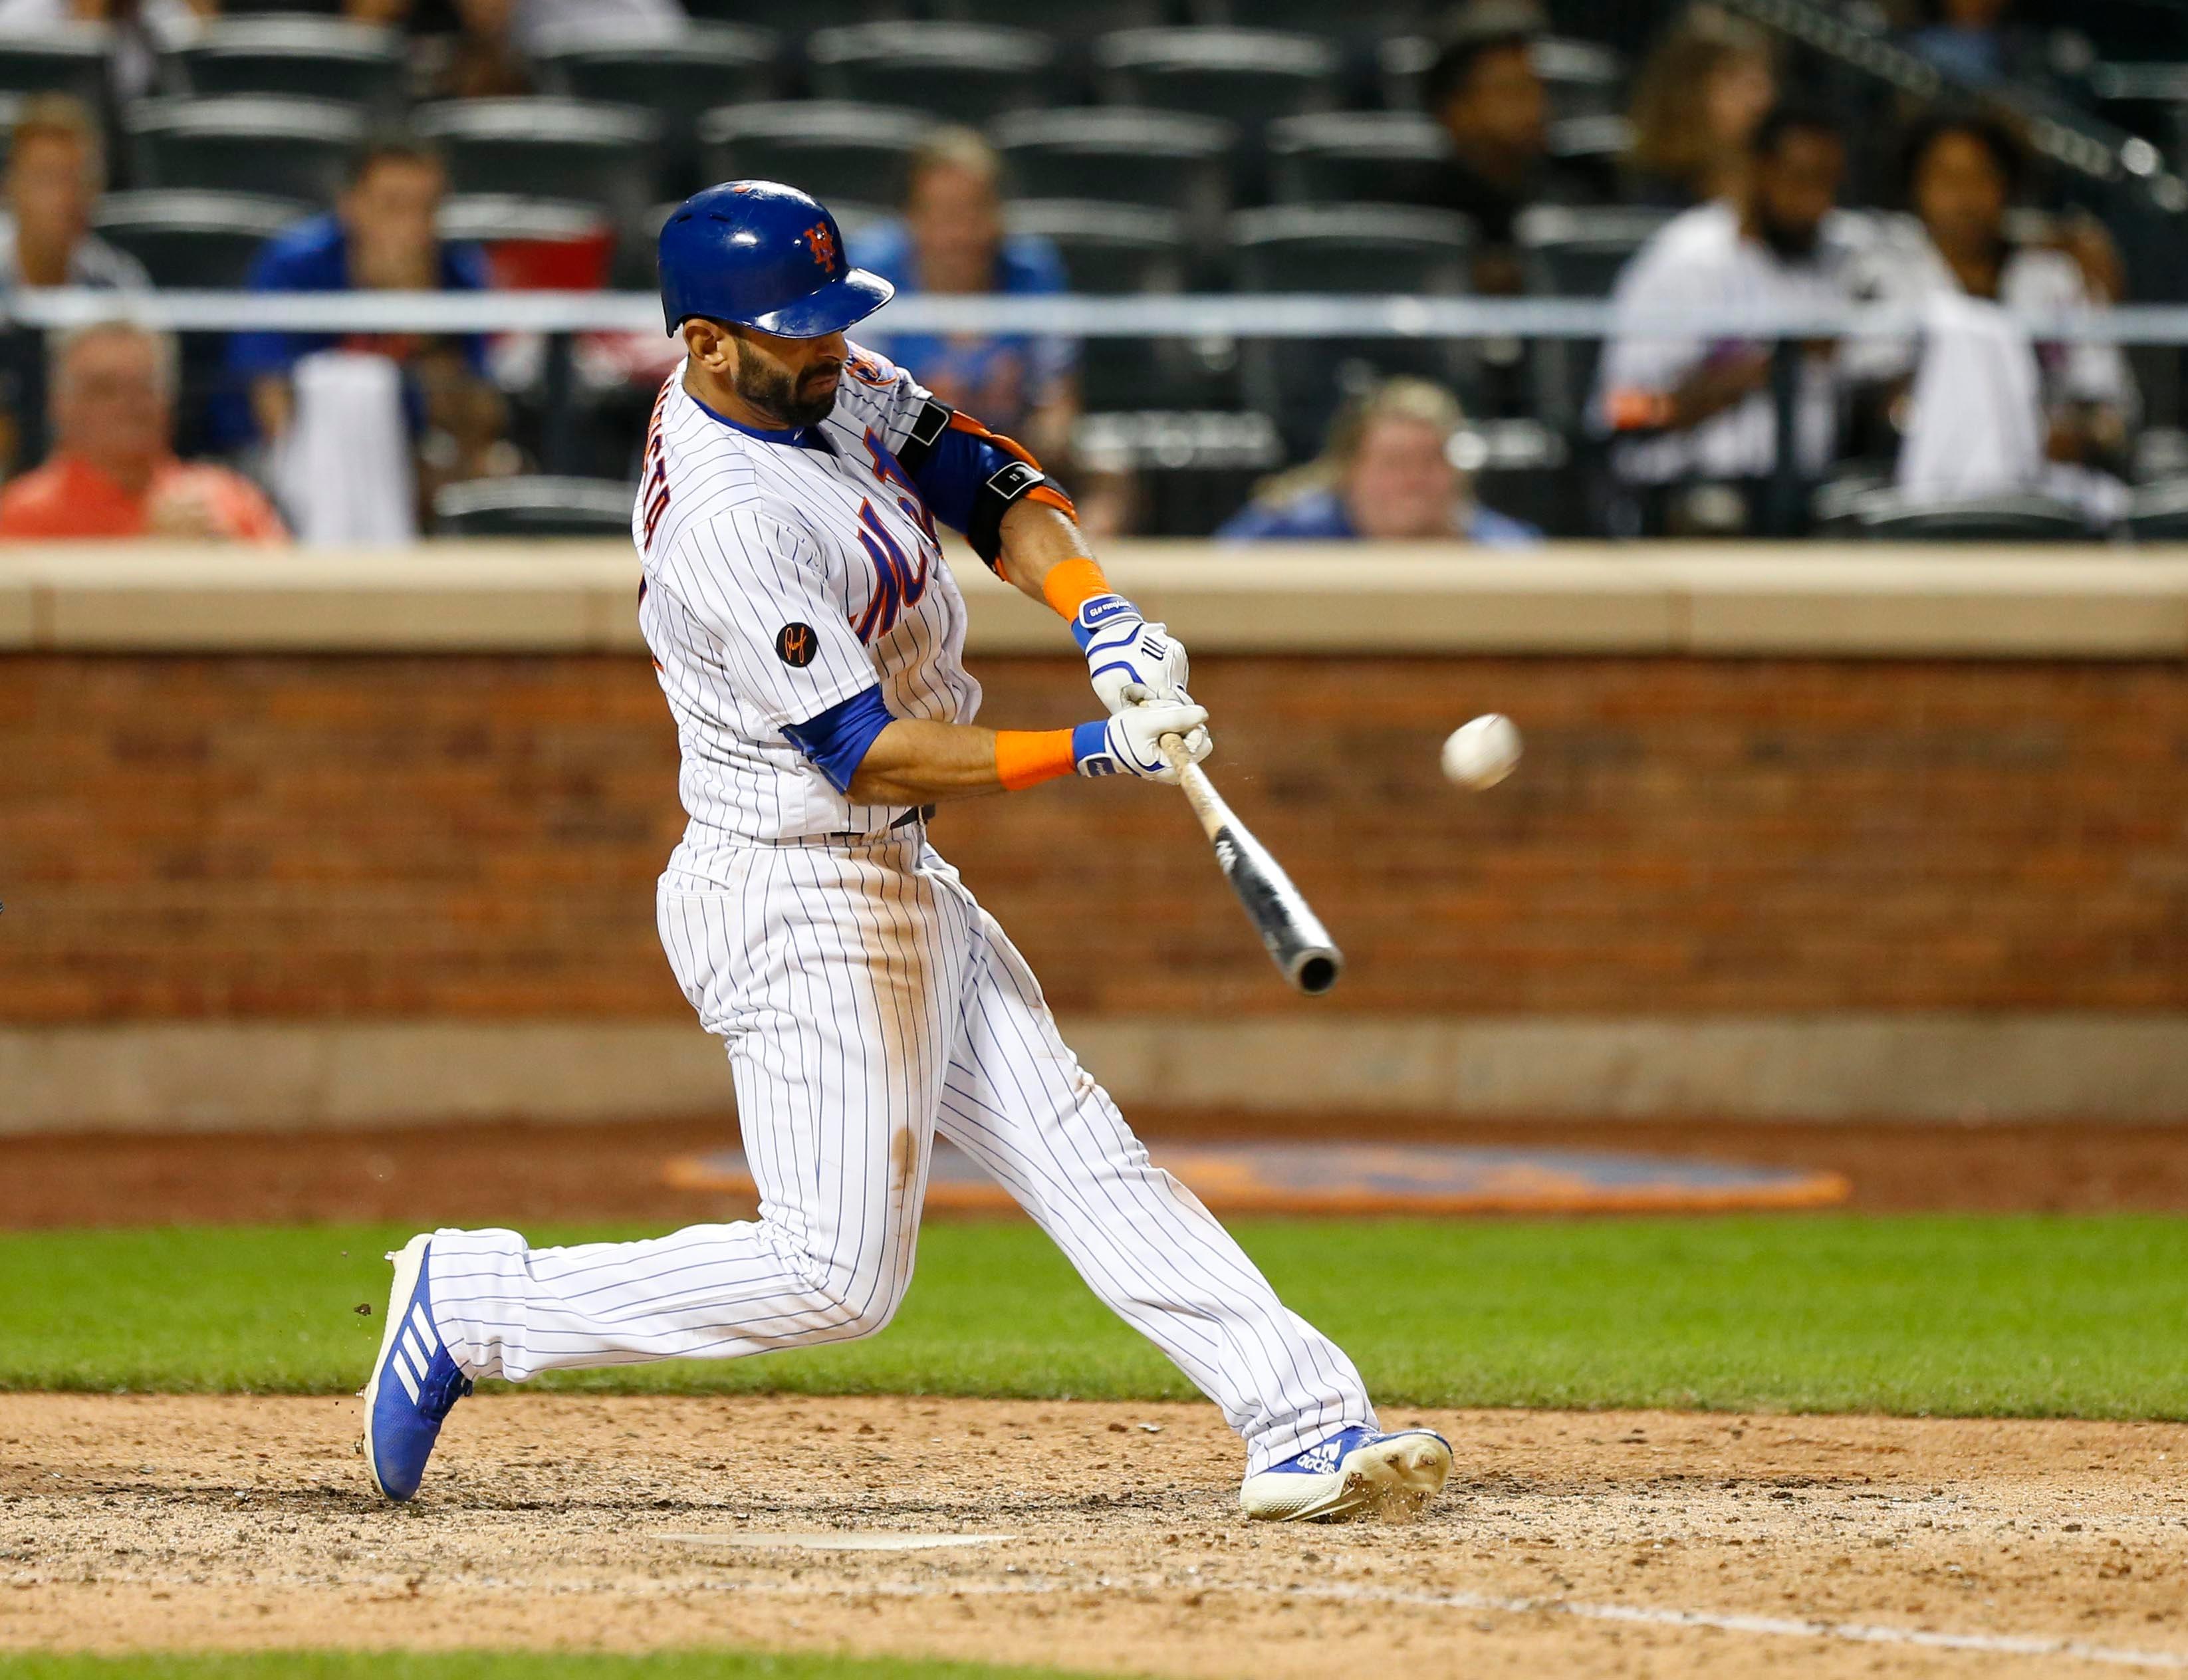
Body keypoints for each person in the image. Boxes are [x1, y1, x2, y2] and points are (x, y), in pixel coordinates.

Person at [358, 180, 1455, 1527]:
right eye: (794, 330)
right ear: (702, 343)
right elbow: (860, 749)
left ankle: (1301, 1421)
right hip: (796, 884)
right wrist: (1089, 752)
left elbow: (982, 478)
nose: (830, 350)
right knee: (835, 1278)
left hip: (893, 874)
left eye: (833, 322)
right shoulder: (725, 516)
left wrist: (1099, 613)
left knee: (1083, 1153)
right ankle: (474, 1304)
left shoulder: (820, 380)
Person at [1597, 103, 1860, 536]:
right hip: (1693, 491)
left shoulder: (1840, 256)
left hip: (1811, 491)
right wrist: (1761, 370)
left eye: (1827, 184)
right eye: (1799, 179)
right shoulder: (1684, 260)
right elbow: (1622, 409)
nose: (1815, 202)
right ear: (1757, 171)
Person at [1858, 112, 2133, 471]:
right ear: (1916, 186)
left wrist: (2081, 434)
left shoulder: (2053, 278)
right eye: (1946, 178)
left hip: (2048, 485)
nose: (1964, 197)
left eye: (1981, 177)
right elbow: (1878, 399)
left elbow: (2107, 402)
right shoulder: (1887, 273)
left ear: (2008, 186)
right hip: (1919, 483)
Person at [221, 132, 500, 475]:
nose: (411, 228)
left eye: (426, 209)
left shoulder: (457, 273)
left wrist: (423, 329)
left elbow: (475, 429)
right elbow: (269, 398)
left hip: (407, 452)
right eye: (393, 206)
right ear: (350, 204)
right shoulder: (295, 265)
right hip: (297, 452)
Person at [845, 128, 1079, 471]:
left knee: (1110, 477)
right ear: (912, 218)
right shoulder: (872, 274)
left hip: (1010, 455)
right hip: (901, 460)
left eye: (975, 212)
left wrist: (1037, 448)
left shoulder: (1033, 271)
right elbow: (855, 408)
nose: (960, 234)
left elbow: (1057, 398)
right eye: (943, 214)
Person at [0, 320, 285, 541]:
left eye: (144, 387)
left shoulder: (229, 499)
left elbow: (290, 598)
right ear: (60, 405)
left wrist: (224, 553)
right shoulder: (21, 518)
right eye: (105, 389)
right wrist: (146, 554)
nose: (128, 405)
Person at [0, 94, 149, 477]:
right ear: (10, 188)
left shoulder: (120, 287)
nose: (66, 197)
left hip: (87, 481)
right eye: (48, 179)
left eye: (80, 178)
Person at [1217, 378, 1540, 545]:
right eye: (1394, 463)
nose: (1413, 480)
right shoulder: (1287, 529)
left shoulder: (1494, 546)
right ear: (1350, 471)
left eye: (1430, 462)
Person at [1417, 0, 1595, 295]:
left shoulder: (1575, 197)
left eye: (1536, 88)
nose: (1534, 108)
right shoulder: (1421, 216)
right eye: (1510, 92)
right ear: (1454, 109)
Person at [1623, 7, 1778, 209]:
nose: (1762, 99)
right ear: (1686, 91)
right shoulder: (1646, 197)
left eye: (1763, 79)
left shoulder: (1776, 197)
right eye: (1737, 79)